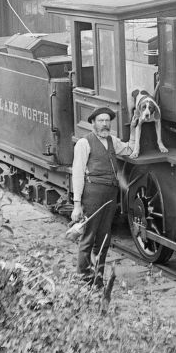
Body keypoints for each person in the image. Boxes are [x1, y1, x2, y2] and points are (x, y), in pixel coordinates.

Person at [68, 106, 136, 283]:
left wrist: (135, 127)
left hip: (110, 194)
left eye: (107, 121)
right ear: (93, 123)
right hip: (93, 193)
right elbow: (77, 173)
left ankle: (97, 277)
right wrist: (77, 204)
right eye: (101, 121)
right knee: (88, 236)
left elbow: (129, 149)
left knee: (104, 238)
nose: (105, 124)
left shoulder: (113, 141)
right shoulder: (84, 143)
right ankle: (83, 277)